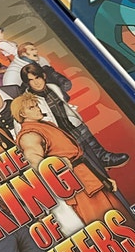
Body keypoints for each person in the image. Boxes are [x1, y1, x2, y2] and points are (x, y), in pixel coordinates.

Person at [11, 94, 133, 235]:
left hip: (87, 176)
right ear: (22, 114)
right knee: (103, 224)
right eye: (32, 107)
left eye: (37, 105)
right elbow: (35, 161)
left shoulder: (43, 125)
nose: (38, 109)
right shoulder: (29, 135)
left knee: (120, 217)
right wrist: (61, 165)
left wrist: (101, 177)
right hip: (76, 184)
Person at [20, 62, 129, 169]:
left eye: (37, 78)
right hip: (58, 134)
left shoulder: (53, 87)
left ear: (44, 76)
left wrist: (75, 117)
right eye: (31, 80)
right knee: (81, 157)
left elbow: (65, 103)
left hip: (73, 124)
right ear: (27, 83)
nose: (36, 83)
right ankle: (97, 168)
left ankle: (104, 158)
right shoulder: (27, 100)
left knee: (91, 144)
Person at [3, 42, 72, 97]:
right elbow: (12, 94)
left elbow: (51, 73)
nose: (36, 51)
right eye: (32, 50)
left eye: (35, 49)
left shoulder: (41, 60)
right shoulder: (13, 73)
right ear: (24, 54)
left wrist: (61, 81)